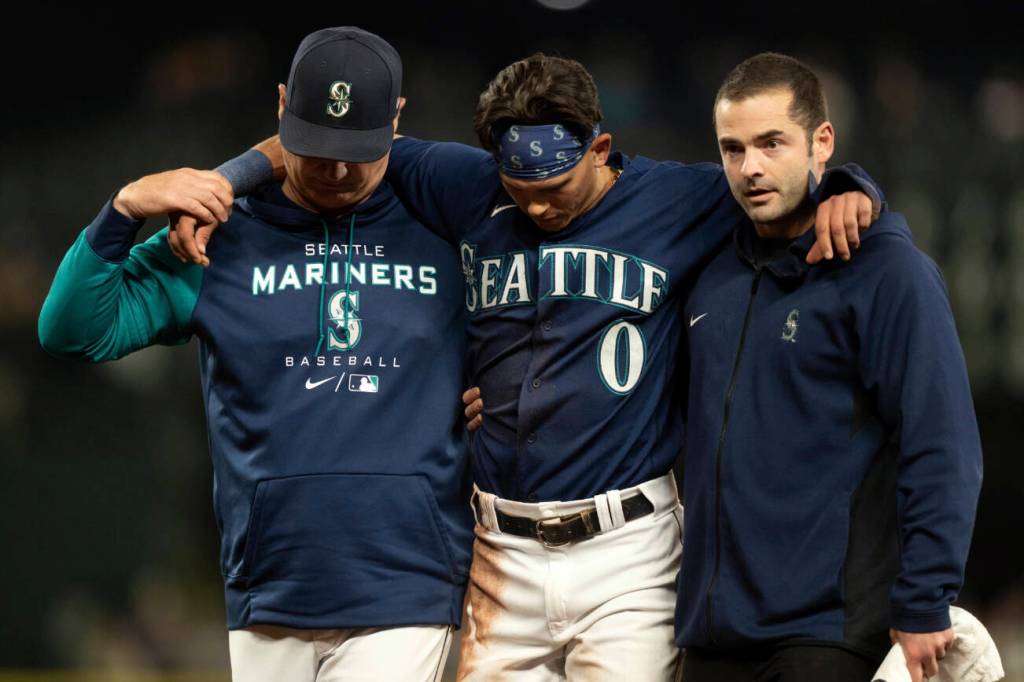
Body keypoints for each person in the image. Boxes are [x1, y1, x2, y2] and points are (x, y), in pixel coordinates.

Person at [188, 52, 880, 681]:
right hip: (501, 552)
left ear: (599, 148)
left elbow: (781, 184)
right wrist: (225, 181)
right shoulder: (467, 184)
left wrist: (852, 187)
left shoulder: (678, 200)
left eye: (556, 184)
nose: (538, 204)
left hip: (629, 551)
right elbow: (328, 139)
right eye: (518, 186)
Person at [37, 27, 472, 682]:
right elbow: (72, 329)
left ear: (397, 119)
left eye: (356, 152)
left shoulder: (446, 224)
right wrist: (124, 208)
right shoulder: (217, 234)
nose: (336, 171)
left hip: (410, 581)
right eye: (317, 149)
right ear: (281, 106)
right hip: (269, 588)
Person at [674, 52, 983, 682]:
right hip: (714, 636)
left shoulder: (887, 272)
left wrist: (926, 597)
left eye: (772, 143)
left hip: (830, 634)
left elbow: (942, 442)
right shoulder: (707, 273)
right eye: (733, 149)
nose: (750, 167)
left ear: (822, 142)